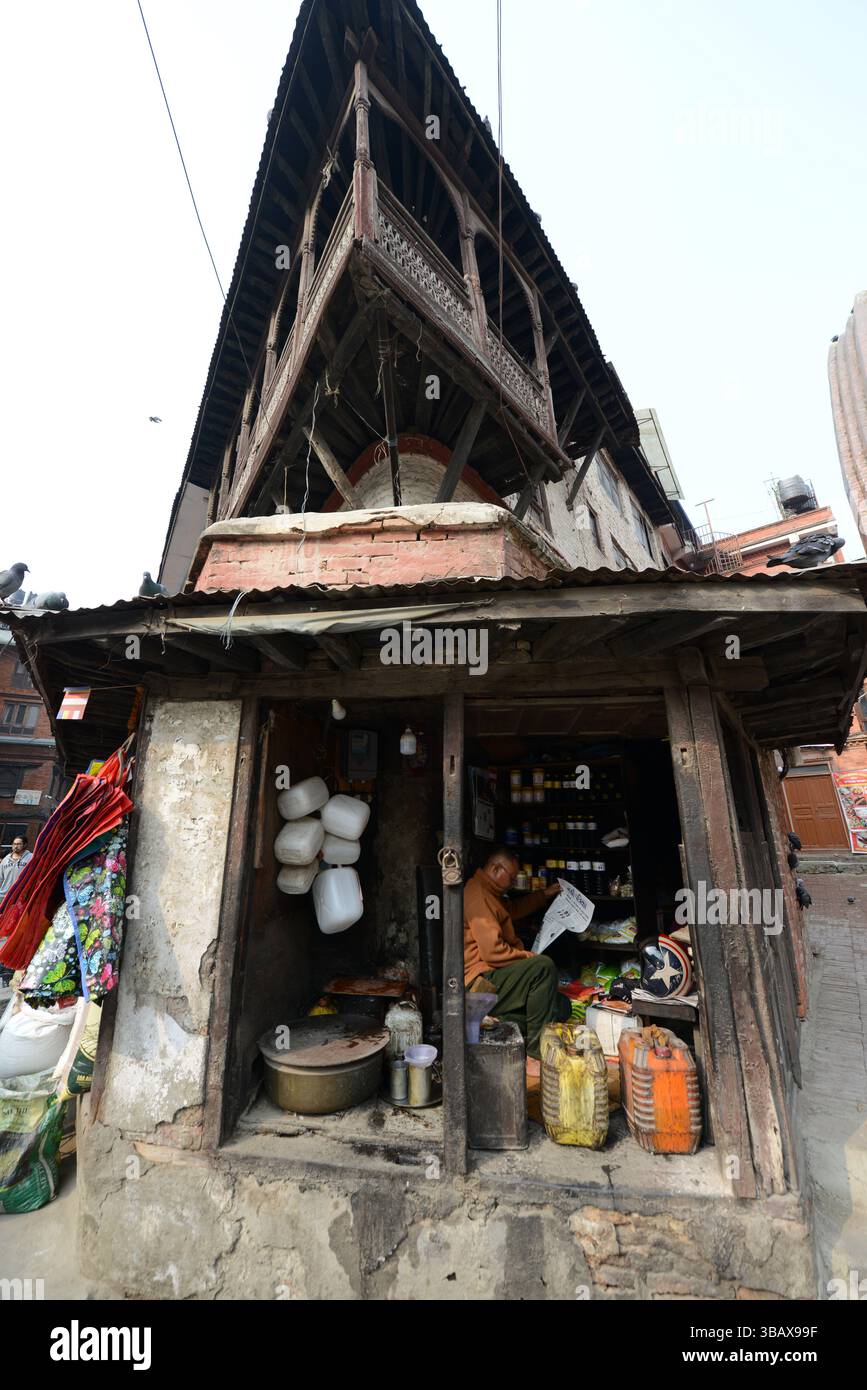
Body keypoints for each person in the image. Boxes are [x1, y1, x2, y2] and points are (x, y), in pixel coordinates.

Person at [464, 848, 571, 1078]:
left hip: (496, 979)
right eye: (511, 877)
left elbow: (513, 910)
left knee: (561, 1005)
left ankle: (498, 1023)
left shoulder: (491, 893)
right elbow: (493, 952)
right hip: (481, 983)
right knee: (543, 968)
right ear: (495, 869)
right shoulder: (477, 894)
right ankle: (533, 1056)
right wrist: (527, 957)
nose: (513, 883)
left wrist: (545, 894)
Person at [0, 835, 32, 903]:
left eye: (19, 844)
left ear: (25, 845)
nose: (15, 846)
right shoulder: (5, 859)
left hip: (21, 896)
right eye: (14, 844)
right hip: (4, 896)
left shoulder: (31, 858)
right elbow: (0, 878)